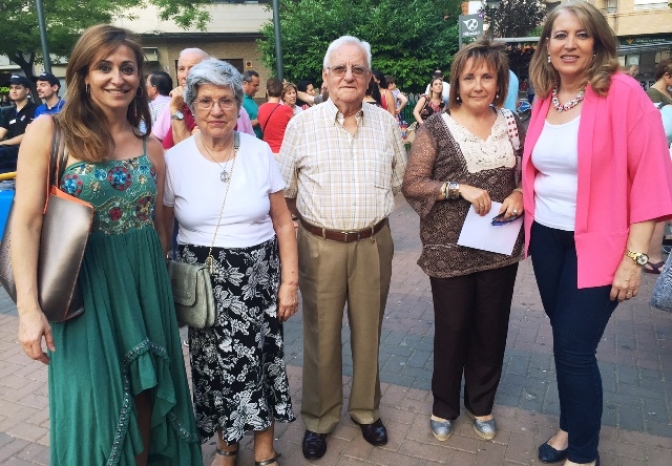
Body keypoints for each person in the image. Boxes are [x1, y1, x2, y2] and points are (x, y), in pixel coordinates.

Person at [12, 25, 203, 465]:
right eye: (104, 67)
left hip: (144, 285)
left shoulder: (151, 147)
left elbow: (159, 228)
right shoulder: (50, 133)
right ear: (82, 75)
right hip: (81, 288)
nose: (117, 78)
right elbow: (25, 225)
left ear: (140, 78)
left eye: (127, 68)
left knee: (147, 395)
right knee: (93, 402)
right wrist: (28, 311)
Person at [524, 4, 672, 466]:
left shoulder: (624, 94)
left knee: (574, 346)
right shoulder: (547, 98)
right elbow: (541, 169)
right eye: (560, 35)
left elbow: (651, 178)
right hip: (547, 239)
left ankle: (584, 455)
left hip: (602, 245)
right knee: (565, 340)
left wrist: (635, 258)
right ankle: (571, 426)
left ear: (598, 44)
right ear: (546, 46)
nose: (569, 44)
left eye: (582, 35)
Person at [163, 59, 297, 466]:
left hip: (256, 278)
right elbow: (163, 230)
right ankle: (226, 444)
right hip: (203, 284)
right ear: (192, 106)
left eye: (226, 100)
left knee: (261, 361)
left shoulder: (258, 152)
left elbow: (283, 222)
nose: (216, 110)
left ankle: (264, 446)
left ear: (240, 104)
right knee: (212, 369)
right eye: (205, 101)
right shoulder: (174, 160)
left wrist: (289, 283)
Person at [279, 35, 407, 461]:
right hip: (320, 244)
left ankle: (366, 410)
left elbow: (396, 181)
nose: (348, 76)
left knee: (369, 330)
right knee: (321, 334)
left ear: (369, 77)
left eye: (357, 69)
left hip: (373, 242)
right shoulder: (302, 125)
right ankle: (319, 417)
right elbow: (287, 190)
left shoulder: (388, 124)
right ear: (325, 76)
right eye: (339, 69)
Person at [402, 39, 524, 444]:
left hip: (497, 246)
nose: (477, 85)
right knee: (453, 328)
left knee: (491, 328)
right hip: (448, 248)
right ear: (456, 81)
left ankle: (481, 404)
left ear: (499, 83)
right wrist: (459, 189)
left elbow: (526, 175)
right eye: (469, 77)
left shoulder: (510, 122)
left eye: (487, 76)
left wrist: (520, 193)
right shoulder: (436, 127)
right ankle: (444, 406)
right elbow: (413, 183)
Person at [151, 48, 254, 149]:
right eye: (181, 69)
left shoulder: (237, 110)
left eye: (193, 68)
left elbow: (251, 148)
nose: (185, 75)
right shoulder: (174, 105)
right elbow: (156, 144)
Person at [644, 58, 672, 274]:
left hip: (665, 156)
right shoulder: (654, 95)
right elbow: (656, 131)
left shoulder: (665, 95)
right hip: (660, 156)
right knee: (657, 209)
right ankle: (650, 257)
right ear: (667, 76)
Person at [0, 74, 36, 173]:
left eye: (18, 88)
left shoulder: (35, 110)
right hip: (9, 152)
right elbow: (1, 133)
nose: (13, 91)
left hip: (27, 150)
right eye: (11, 88)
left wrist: (4, 143)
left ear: (27, 91)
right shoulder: (9, 112)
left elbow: (28, 136)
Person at [258, 77, 294, 158]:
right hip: (283, 153)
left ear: (267, 92)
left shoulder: (260, 109)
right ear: (282, 93)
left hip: (266, 153)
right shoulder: (287, 110)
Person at [242, 70, 263, 138]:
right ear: (245, 84)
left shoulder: (250, 99)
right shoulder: (239, 101)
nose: (258, 89)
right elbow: (240, 124)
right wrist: (261, 120)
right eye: (255, 85)